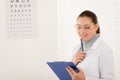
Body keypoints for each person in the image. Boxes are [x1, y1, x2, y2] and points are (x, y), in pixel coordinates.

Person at [66, 10, 115, 80]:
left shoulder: (104, 50)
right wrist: (73, 63)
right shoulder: (76, 48)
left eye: (87, 27)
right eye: (79, 27)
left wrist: (84, 79)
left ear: (96, 27)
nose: (82, 31)